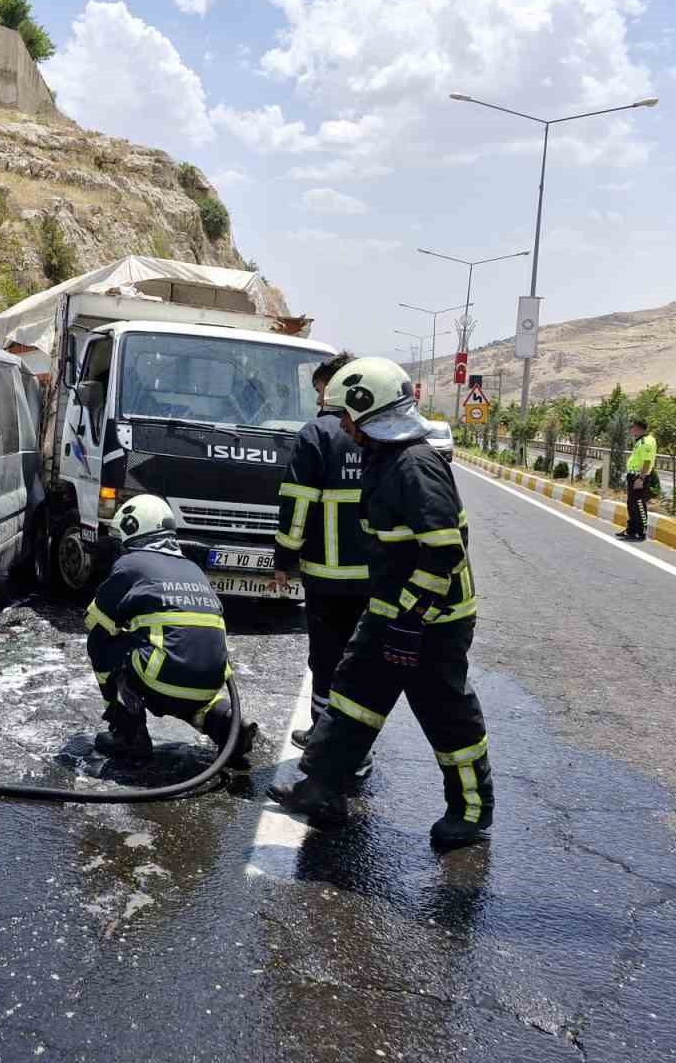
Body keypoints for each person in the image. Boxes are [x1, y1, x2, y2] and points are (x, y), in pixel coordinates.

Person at [269, 358, 492, 850]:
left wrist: (410, 620)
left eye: (347, 414)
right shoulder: (384, 458)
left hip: (432, 620)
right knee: (352, 697)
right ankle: (322, 789)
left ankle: (471, 811)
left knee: (445, 712)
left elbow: (444, 550)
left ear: (370, 411)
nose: (344, 425)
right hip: (391, 610)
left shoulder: (414, 465)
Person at [85, 494, 258, 764]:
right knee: (186, 689)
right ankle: (225, 723)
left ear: (135, 528)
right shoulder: (192, 568)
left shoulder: (130, 565)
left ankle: (128, 734)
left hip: (164, 676)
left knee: (102, 643)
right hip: (213, 677)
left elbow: (95, 620)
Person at [272, 353, 374, 759]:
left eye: (320, 391)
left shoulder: (316, 434)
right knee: (361, 660)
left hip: (327, 577)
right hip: (373, 575)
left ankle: (323, 739)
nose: (318, 401)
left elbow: (296, 506)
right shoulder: (378, 434)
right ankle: (354, 743)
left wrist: (284, 558)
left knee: (326, 658)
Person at [620, 418, 657, 542]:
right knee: (631, 504)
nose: (631, 429)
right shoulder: (642, 440)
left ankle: (640, 532)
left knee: (639, 504)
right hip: (634, 476)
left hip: (639, 477)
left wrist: (641, 478)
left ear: (638, 428)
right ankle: (631, 530)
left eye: (632, 427)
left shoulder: (645, 442)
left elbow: (647, 462)